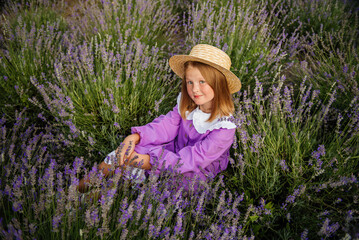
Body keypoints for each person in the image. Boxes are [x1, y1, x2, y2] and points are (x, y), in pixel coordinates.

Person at [78, 44, 241, 193]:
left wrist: (143, 161)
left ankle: (95, 199)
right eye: (189, 82)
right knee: (122, 154)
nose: (194, 89)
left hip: (192, 172)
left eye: (202, 82)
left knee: (142, 174)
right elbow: (164, 126)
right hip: (171, 152)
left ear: (219, 85)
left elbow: (189, 161)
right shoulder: (189, 104)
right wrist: (134, 138)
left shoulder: (223, 128)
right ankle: (76, 191)